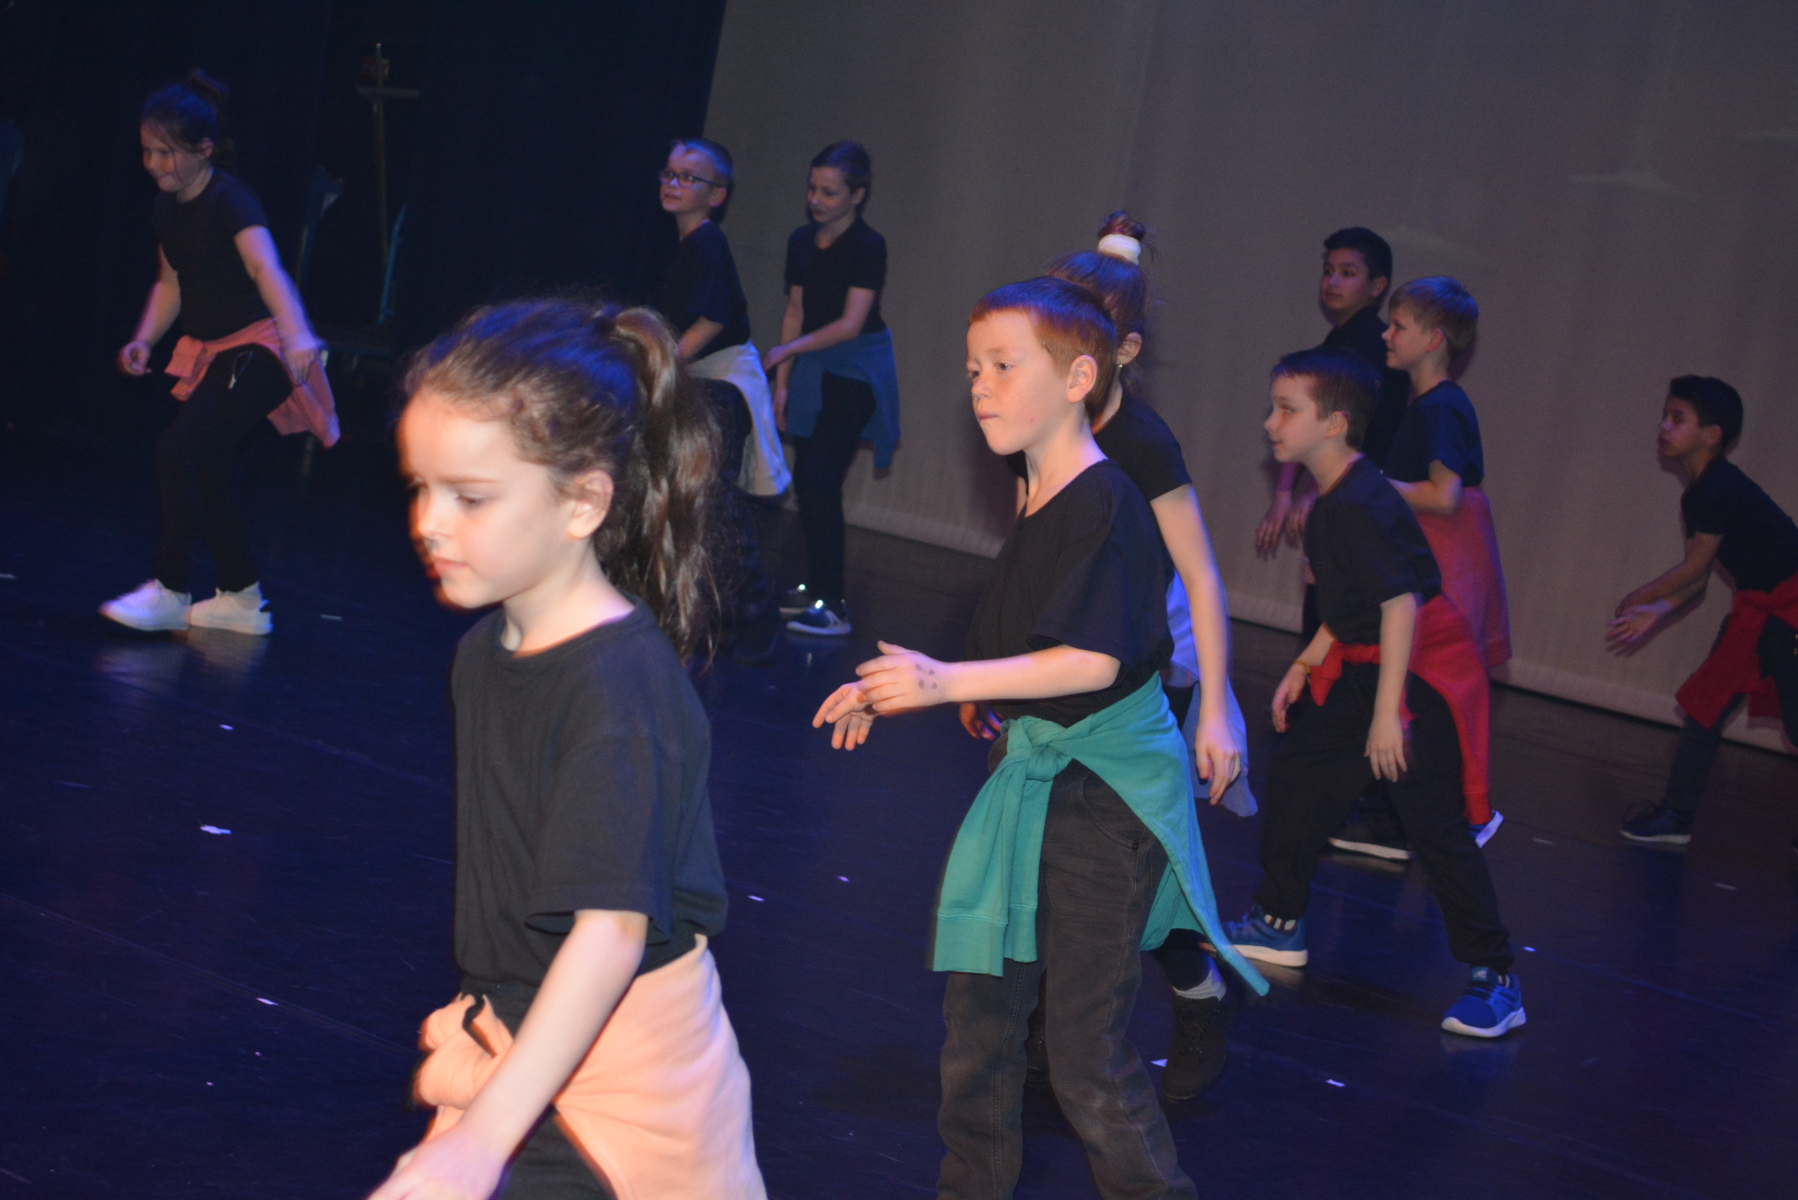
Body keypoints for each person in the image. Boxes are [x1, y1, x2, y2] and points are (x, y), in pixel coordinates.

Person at [814, 277, 1266, 1198]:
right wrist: (894, 690)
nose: (979, 385)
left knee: (1083, 1056)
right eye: (972, 368)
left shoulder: (1109, 500)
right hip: (1038, 781)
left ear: (1078, 379)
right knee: (981, 1031)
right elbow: (1021, 636)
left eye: (1003, 366)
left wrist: (944, 683)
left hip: (1106, 799)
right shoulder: (1036, 492)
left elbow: (1091, 660)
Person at [371, 300, 764, 1199]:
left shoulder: (616, 688)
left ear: (583, 501)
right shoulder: (485, 653)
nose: (429, 522)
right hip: (527, 1043)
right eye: (421, 488)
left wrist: (483, 1140)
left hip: (612, 1085)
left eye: (470, 497)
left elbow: (610, 933)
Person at [987, 213, 1253, 1101]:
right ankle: (1037, 1030)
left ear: (1119, 352)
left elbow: (1201, 576)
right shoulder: (1031, 420)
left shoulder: (1141, 443)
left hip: (1137, 676)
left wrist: (1216, 707)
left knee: (1131, 875)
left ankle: (1200, 995)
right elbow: (1029, 552)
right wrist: (989, 672)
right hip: (1060, 668)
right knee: (1039, 852)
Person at [1225, 348, 1522, 1040]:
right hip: (1374, 658)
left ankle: (1497, 977)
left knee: (1431, 821)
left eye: (1287, 410)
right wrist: (1307, 662)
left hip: (1422, 671)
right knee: (1300, 775)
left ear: (1333, 423)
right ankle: (1278, 921)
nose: (1271, 422)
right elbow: (1356, 603)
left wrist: (1390, 715)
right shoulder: (1337, 499)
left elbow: (1400, 604)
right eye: (1273, 407)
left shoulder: (1359, 502)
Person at [101, 70, 337, 636]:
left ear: (204, 150)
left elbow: (265, 267)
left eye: (167, 153)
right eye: (147, 152)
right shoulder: (166, 209)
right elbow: (170, 283)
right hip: (217, 350)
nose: (154, 164)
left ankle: (170, 589)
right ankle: (240, 597)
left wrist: (298, 335)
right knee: (205, 465)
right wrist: (143, 339)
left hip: (263, 346)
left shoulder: (230, 200)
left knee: (177, 451)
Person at [1607, 376, 1798, 848]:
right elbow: (1699, 579)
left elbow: (1693, 568)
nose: (1663, 426)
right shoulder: (1702, 492)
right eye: (1665, 416)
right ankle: (1676, 814)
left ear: (1712, 434)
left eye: (1678, 418)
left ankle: (1676, 813)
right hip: (1761, 611)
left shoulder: (1715, 488)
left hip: (1788, 612)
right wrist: (1658, 610)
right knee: (1706, 707)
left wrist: (1641, 595)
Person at [654, 136, 785, 663]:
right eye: (669, 173)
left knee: (718, 510)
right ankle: (726, 621)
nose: (673, 183)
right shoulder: (690, 245)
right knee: (706, 507)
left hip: (722, 387)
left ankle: (752, 624)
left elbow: (713, 319)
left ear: (717, 195)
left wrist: (665, 365)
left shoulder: (707, 243)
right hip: (707, 383)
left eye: (688, 177)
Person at [763, 141, 899, 637]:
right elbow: (795, 310)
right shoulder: (802, 240)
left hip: (857, 367)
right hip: (815, 363)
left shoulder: (868, 245)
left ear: (857, 195)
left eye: (829, 192)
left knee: (820, 476)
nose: (816, 200)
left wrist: (787, 351)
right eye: (812, 189)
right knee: (808, 478)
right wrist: (782, 383)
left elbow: (850, 323)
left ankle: (835, 604)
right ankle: (817, 588)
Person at [1256, 227, 1408, 568]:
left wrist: (1312, 491)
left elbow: (1352, 432)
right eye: (1328, 271)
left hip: (1360, 497)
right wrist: (1284, 494)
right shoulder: (1336, 343)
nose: (1333, 281)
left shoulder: (1374, 348)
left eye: (1348, 273)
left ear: (1378, 286)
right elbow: (1305, 417)